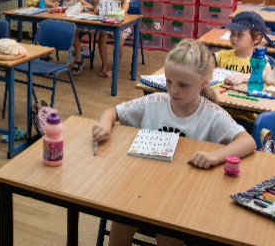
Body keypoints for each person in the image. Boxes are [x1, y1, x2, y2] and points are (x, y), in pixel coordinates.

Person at [92, 39, 256, 246]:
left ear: (204, 82)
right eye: (169, 81)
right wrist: (104, 124)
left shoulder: (212, 114)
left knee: (169, 230)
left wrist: (215, 156)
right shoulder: (155, 102)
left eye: (183, 85)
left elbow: (248, 142)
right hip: (144, 186)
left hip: (184, 195)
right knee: (122, 220)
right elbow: (112, 112)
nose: (173, 90)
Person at [45, 0, 93, 74]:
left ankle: (79, 59)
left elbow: (90, 6)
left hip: (77, 26)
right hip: (62, 24)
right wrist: (52, 4)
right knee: (48, 28)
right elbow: (44, 0)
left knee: (73, 32)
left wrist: (82, 8)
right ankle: (45, 55)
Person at [96, 0, 132, 78]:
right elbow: (97, 8)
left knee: (119, 42)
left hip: (122, 26)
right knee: (102, 36)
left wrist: (112, 10)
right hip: (108, 24)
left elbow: (124, 11)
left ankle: (115, 67)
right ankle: (104, 65)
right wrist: (99, 8)